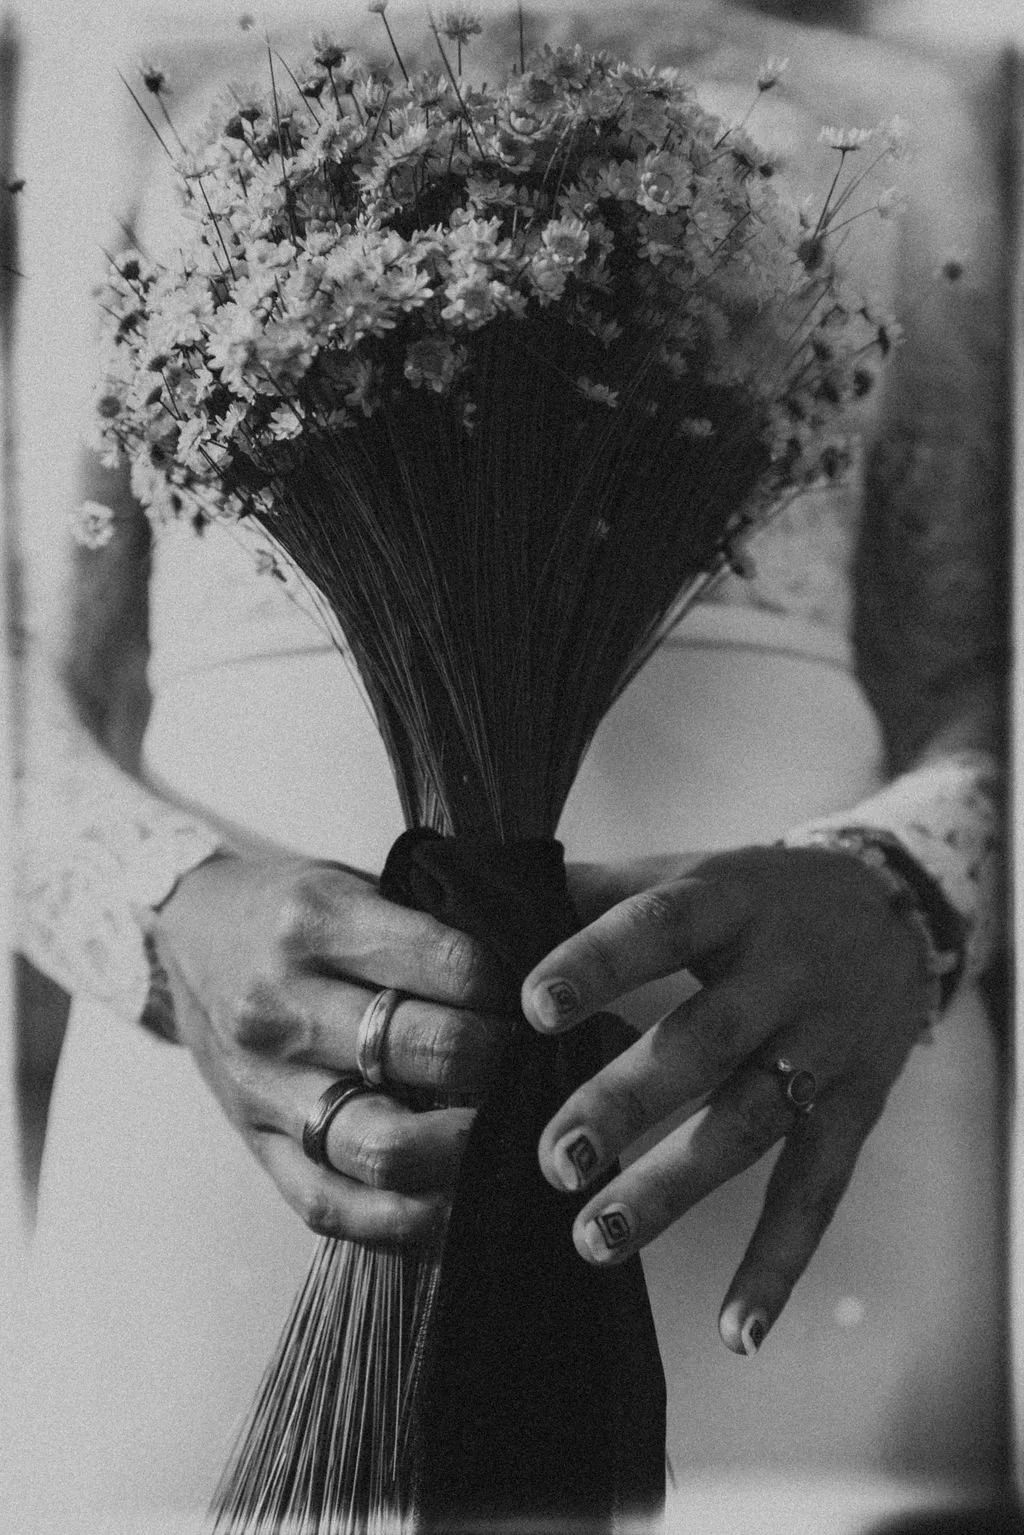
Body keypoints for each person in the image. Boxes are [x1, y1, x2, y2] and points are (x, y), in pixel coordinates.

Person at [9, 2, 1009, 1531]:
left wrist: (909, 894)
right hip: (263, 1125)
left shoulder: (917, 109)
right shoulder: (140, 60)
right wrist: (160, 919)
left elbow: (973, 671)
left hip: (786, 1113)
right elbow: (35, 678)